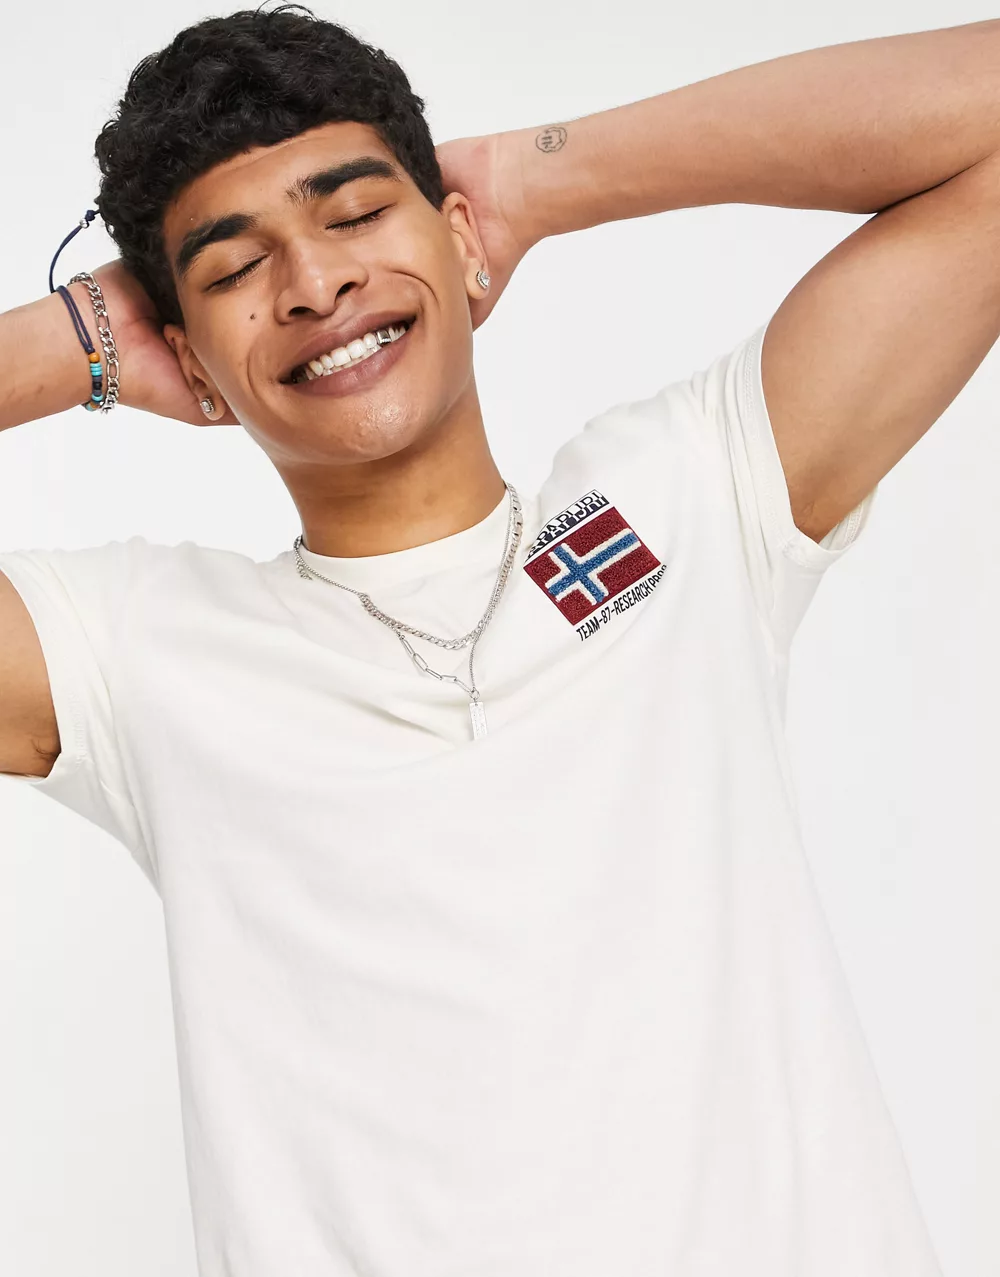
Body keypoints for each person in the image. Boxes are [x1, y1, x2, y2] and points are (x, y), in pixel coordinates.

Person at [0, 5, 991, 1273]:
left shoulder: (689, 496)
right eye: (236, 270)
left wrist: (533, 180)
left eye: (360, 213)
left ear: (458, 239)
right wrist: (73, 344)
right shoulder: (135, 654)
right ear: (186, 361)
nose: (315, 284)